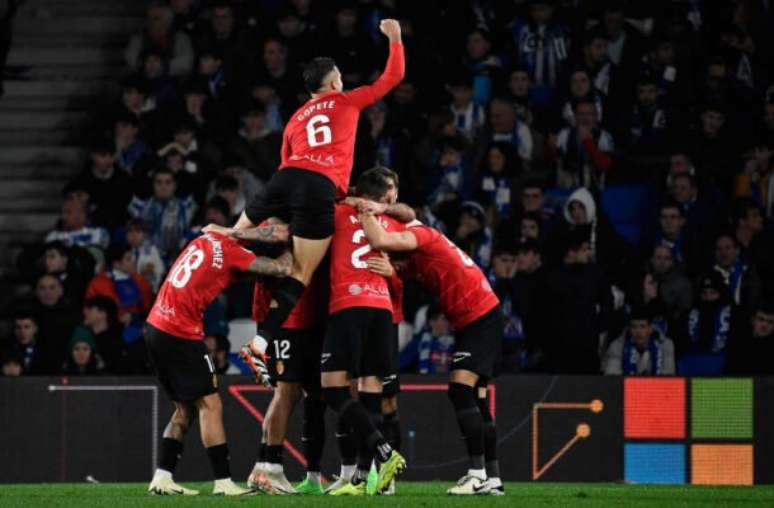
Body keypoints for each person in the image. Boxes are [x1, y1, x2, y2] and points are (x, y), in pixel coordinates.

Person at [232, 19, 404, 361]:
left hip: (284, 177)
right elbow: (393, 77)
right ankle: (261, 342)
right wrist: (395, 37)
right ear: (335, 81)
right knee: (301, 272)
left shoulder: (296, 118)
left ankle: (216, 255)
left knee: (230, 236)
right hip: (318, 185)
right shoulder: (347, 101)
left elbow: (287, 159)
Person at [358, 201, 504, 496]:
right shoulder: (412, 262)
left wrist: (367, 209)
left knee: (460, 390)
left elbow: (400, 223)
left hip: (480, 314)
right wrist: (392, 273)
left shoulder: (424, 236)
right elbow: (398, 280)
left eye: (393, 258)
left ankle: (476, 475)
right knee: (476, 397)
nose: (394, 264)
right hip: (473, 318)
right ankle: (493, 479)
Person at [145, 229, 292, 496]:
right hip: (180, 331)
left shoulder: (206, 236)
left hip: (155, 325)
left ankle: (162, 477)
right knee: (210, 404)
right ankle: (223, 482)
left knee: (184, 409)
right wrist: (298, 245)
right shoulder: (234, 252)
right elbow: (281, 269)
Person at [317, 171, 407, 496]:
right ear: (376, 198)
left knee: (333, 391)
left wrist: (345, 199)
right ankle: (361, 480)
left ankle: (383, 453)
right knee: (371, 393)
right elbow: (408, 220)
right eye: (388, 199)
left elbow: (314, 200)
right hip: (382, 310)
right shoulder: (387, 222)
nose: (392, 204)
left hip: (348, 304)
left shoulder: (338, 213)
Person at [245, 270, 328, 496]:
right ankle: (272, 469)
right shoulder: (277, 235)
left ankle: (263, 469)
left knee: (314, 394)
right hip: (286, 318)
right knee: (287, 391)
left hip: (311, 317)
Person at [603, 307, 676, 376]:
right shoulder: (617, 346)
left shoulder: (665, 345)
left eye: (642, 326)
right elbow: (612, 377)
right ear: (629, 329)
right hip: (627, 388)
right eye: (634, 327)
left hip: (656, 388)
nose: (638, 332)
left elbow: (668, 375)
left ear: (650, 329)